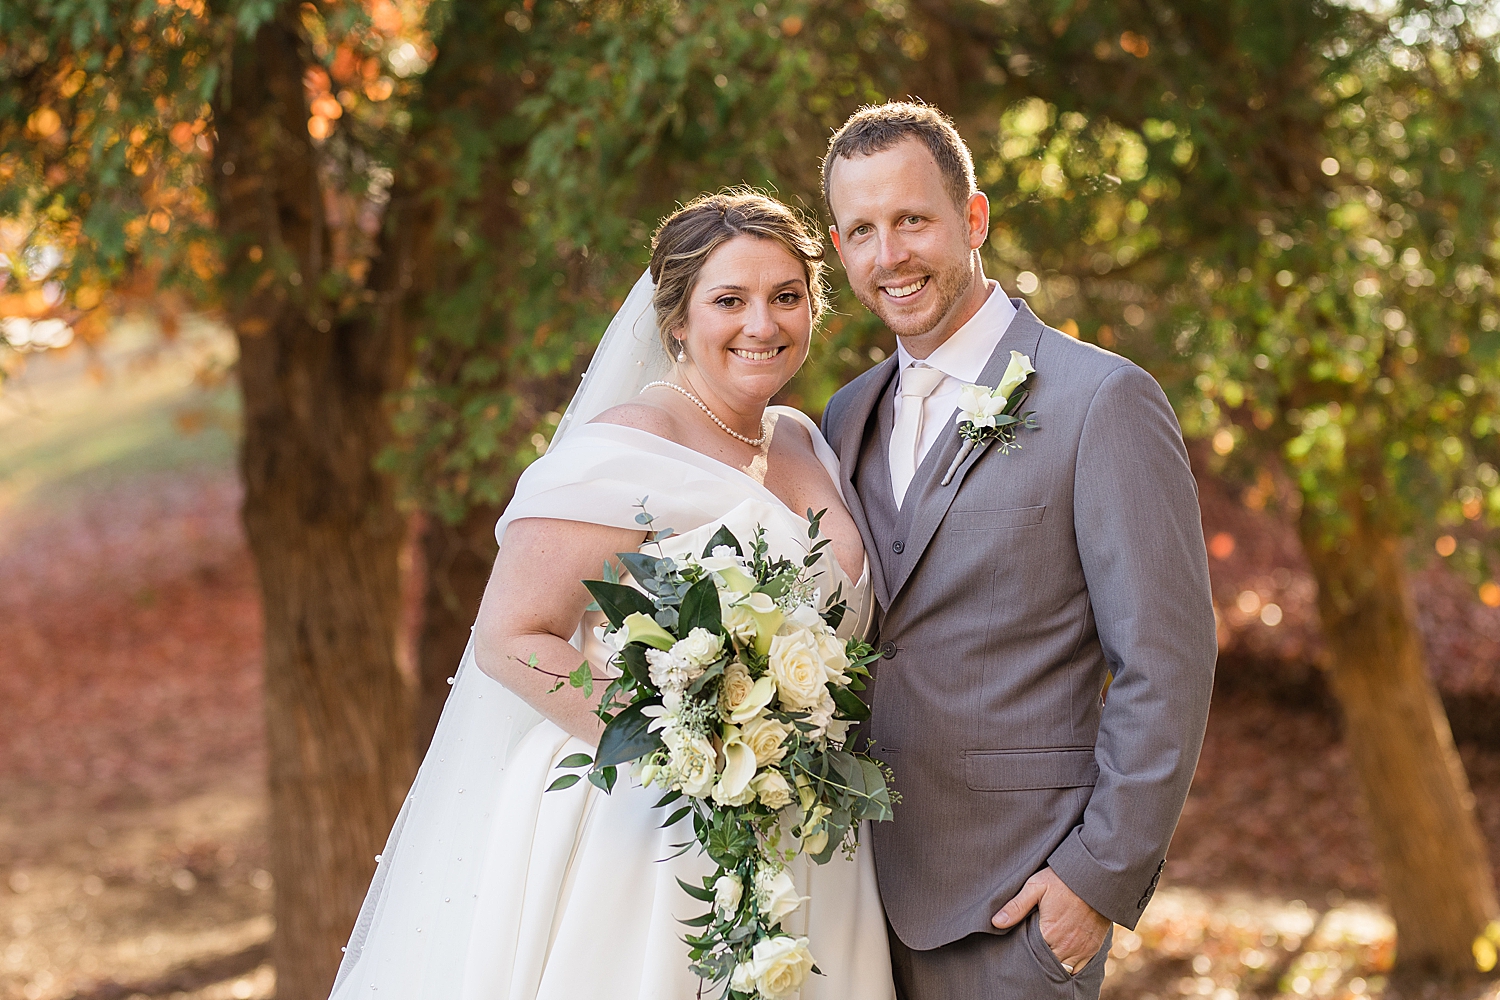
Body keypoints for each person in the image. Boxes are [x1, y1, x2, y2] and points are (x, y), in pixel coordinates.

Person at [328, 190, 896, 1000]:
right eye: (728, 300)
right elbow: (512, 637)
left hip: (807, 823)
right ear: (675, 320)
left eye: (786, 297)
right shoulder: (625, 448)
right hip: (659, 831)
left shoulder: (806, 437)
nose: (762, 324)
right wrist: (688, 755)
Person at [819, 102, 1217, 1000]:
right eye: (861, 231)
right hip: (848, 908)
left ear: (974, 219)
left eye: (912, 219)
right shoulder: (843, 417)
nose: (890, 256)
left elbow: (1166, 660)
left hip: (1016, 909)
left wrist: (1096, 881)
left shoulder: (1101, 400)